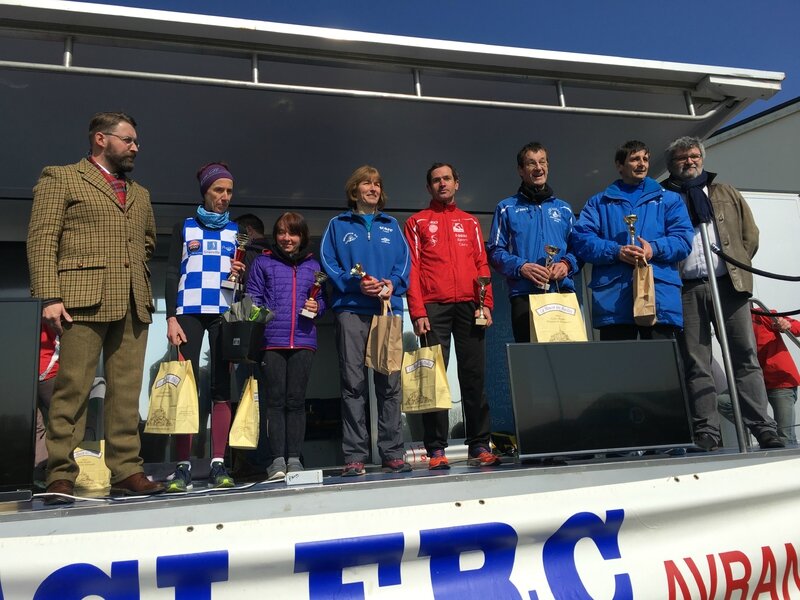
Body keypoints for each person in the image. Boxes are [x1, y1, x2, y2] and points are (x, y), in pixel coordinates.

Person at [27, 111, 164, 503]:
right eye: (128, 139)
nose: (135, 146)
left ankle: (126, 470)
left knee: (125, 391)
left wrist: (131, 268)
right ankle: (60, 472)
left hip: (133, 299)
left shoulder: (140, 193)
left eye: (136, 140)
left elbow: (148, 241)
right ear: (101, 139)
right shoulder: (62, 177)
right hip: (79, 300)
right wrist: (50, 296)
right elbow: (41, 240)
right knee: (71, 390)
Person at [662, 136, 783, 450]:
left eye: (693, 156)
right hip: (686, 288)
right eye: (681, 158)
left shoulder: (724, 192)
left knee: (745, 356)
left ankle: (764, 428)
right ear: (671, 165)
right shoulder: (664, 198)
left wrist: (736, 264)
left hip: (729, 286)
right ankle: (707, 432)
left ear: (702, 158)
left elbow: (749, 236)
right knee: (696, 361)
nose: (689, 162)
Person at [404, 163, 500, 470]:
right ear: (429, 187)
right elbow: (413, 270)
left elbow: (482, 265)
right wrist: (417, 311)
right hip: (434, 307)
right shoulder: (417, 222)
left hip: (471, 305)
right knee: (434, 378)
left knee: (474, 377)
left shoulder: (470, 222)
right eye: (435, 180)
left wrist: (486, 304)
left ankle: (479, 445)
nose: (442, 184)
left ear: (457, 183)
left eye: (447, 179)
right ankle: (435, 449)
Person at [320, 165, 411, 476]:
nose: (372, 188)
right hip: (350, 309)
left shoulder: (392, 225)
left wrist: (391, 285)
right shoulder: (337, 225)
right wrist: (353, 283)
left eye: (376, 184)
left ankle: (393, 453)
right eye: (366, 184)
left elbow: (405, 264)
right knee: (353, 384)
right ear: (354, 190)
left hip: (386, 310)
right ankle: (355, 456)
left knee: (389, 384)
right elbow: (329, 263)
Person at [164, 162, 245, 492]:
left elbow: (239, 282)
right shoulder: (184, 227)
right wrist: (170, 317)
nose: (224, 197)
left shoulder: (236, 231)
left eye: (228, 191)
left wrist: (241, 271)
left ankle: (218, 463)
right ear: (205, 192)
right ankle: (182, 466)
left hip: (223, 313)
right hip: (188, 312)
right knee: (186, 387)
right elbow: (171, 273)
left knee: (221, 387)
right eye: (218, 190)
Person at [572, 140, 693, 340]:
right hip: (614, 301)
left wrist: (652, 250)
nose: (642, 164)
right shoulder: (598, 202)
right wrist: (616, 251)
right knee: (619, 368)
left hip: (659, 299)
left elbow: (683, 239)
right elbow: (581, 240)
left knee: (661, 367)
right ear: (619, 165)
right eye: (635, 159)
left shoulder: (669, 200)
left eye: (645, 159)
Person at [247, 212, 326, 480]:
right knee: (275, 402)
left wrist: (318, 306)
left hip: (304, 341)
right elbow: (253, 297)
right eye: (281, 232)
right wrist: (262, 316)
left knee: (296, 402)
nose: (286, 238)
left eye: (292, 233)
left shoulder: (313, 266)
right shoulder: (262, 263)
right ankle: (276, 461)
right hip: (271, 342)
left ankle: (294, 460)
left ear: (302, 236)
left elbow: (323, 302)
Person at [486, 142, 581, 342]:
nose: (538, 168)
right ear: (521, 170)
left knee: (567, 359)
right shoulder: (506, 208)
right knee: (530, 361)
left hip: (561, 291)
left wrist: (567, 264)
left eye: (542, 162)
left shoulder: (564, 209)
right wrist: (522, 267)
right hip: (524, 294)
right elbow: (494, 251)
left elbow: (579, 249)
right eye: (531, 163)